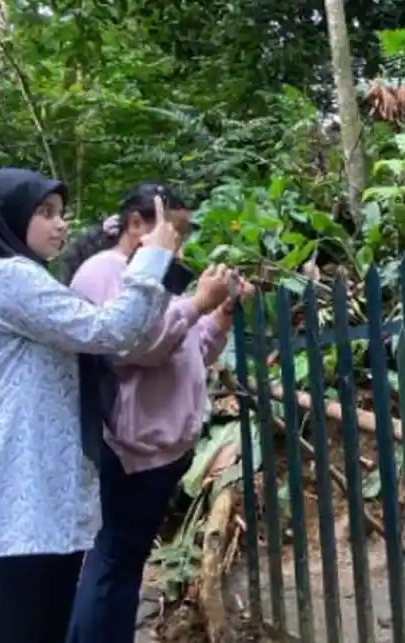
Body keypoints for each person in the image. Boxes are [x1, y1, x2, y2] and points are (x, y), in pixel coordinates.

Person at [0, 168, 181, 643]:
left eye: (60, 213)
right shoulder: (4, 279)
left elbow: (125, 339)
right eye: (44, 212)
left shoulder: (29, 280)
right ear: (5, 216)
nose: (60, 224)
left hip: (30, 499)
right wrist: (155, 258)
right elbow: (107, 331)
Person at [62, 182, 251, 643]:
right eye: (176, 229)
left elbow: (189, 351)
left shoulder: (155, 273)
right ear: (135, 224)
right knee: (114, 562)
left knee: (122, 561)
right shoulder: (105, 270)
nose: (181, 241)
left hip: (161, 445)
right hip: (132, 446)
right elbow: (135, 346)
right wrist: (197, 303)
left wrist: (220, 315)